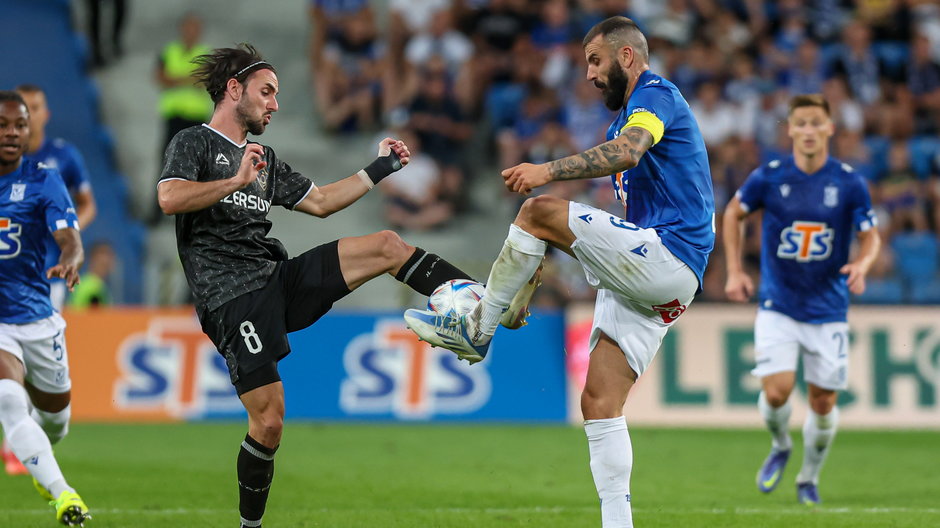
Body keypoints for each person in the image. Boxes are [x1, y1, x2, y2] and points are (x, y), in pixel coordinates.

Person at [406, 16, 715, 528]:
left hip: (671, 253)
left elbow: (630, 152)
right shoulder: (620, 119)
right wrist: (541, 259)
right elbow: (622, 207)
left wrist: (545, 171)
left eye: (595, 61)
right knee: (599, 402)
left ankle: (477, 328)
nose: (589, 75)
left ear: (627, 58)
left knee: (537, 210)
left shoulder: (656, 95)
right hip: (659, 277)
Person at [156, 44, 474, 528]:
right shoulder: (193, 143)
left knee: (386, 245)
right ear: (234, 89)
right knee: (269, 421)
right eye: (267, 92)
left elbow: (322, 201)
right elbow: (169, 197)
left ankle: (479, 300)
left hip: (277, 279)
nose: (275, 104)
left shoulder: (265, 158)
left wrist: (380, 168)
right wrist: (233, 180)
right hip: (231, 299)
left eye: (276, 95)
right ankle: (250, 526)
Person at [723, 94, 881, 505]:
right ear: (790, 130)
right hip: (779, 302)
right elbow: (733, 213)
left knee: (822, 400)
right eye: (801, 123)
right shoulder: (770, 176)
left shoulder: (848, 182)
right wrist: (737, 270)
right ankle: (780, 445)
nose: (809, 131)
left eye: (816, 123)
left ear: (830, 129)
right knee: (776, 392)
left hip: (828, 309)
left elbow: (870, 235)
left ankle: (808, 477)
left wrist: (862, 265)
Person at [0, 91, 90, 525]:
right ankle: (64, 495)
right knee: (7, 399)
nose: (12, 133)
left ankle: (39, 455)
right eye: (3, 125)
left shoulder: (44, 179)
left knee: (55, 423)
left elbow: (70, 238)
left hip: (37, 318)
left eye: (18, 125)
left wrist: (70, 261)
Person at [15, 85, 97, 310]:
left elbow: (88, 205)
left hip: (48, 274)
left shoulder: (64, 156)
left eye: (34, 108)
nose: (29, 115)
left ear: (46, 114)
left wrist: (66, 232)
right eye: (23, 108)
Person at [68, 242, 117, 309]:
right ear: (92, 259)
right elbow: (95, 316)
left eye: (110, 257)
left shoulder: (85, 283)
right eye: (102, 263)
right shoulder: (93, 288)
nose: (107, 261)